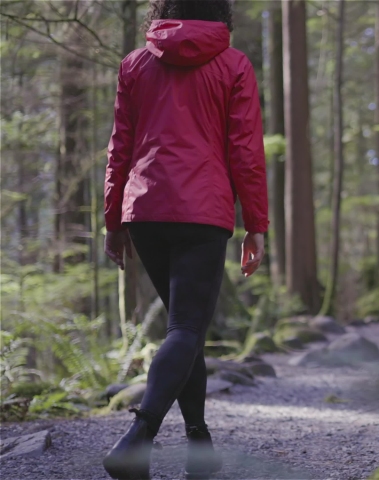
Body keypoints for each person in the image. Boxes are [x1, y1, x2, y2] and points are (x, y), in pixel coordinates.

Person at [101, 1, 267, 478]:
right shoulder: (233, 64)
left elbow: (120, 146)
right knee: (187, 329)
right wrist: (256, 223)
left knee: (185, 329)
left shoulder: (136, 63)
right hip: (202, 209)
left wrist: (113, 220)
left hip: (147, 207)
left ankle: (199, 445)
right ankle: (138, 440)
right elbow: (245, 148)